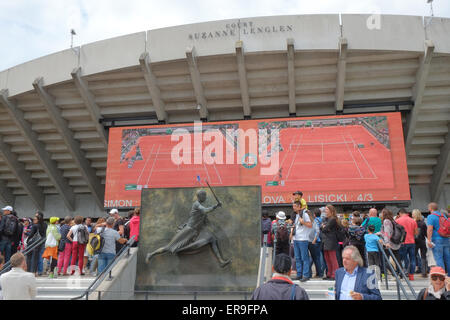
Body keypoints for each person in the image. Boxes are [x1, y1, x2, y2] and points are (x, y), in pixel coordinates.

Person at [145, 189, 231, 267]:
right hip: (188, 231)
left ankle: (221, 262)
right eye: (203, 195)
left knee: (213, 239)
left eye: (205, 195)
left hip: (195, 232)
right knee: (169, 247)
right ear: (199, 196)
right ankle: (151, 254)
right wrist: (215, 206)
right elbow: (205, 210)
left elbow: (205, 221)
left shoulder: (201, 208)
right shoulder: (197, 205)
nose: (205, 196)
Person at [290, 201, 313, 282]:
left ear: (299, 206)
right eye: (293, 206)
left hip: (303, 239)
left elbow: (310, 225)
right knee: (297, 257)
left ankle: (306, 275)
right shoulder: (296, 215)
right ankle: (299, 274)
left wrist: (303, 222)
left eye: (295, 206)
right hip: (296, 239)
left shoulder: (304, 214)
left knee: (304, 257)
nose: (294, 208)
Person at [426, 202, 450, 276]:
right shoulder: (443, 216)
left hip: (436, 239)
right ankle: (449, 275)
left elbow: (430, 229)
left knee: (439, 258)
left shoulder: (431, 216)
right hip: (446, 238)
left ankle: (442, 276)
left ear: (430, 208)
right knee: (447, 258)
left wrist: (429, 240)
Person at [396, 208, 418, 280]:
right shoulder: (413, 221)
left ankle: (402, 273)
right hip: (411, 242)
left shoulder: (397, 221)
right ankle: (411, 275)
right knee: (412, 259)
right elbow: (416, 233)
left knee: (402, 258)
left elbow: (396, 233)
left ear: (400, 213)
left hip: (402, 242)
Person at [379, 208, 402, 276]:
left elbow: (387, 232)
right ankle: (400, 272)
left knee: (384, 260)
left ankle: (394, 272)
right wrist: (379, 233)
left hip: (389, 243)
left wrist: (386, 242)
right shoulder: (392, 220)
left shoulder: (386, 221)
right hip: (394, 243)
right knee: (397, 259)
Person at [321, 204, 340, 280]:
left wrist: (324, 227)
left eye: (326, 209)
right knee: (327, 258)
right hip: (325, 241)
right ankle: (329, 273)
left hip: (331, 241)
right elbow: (322, 228)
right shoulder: (326, 219)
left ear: (331, 210)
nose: (325, 211)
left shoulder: (333, 219)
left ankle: (334, 274)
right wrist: (324, 227)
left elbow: (325, 229)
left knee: (332, 258)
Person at [27, 212, 47, 276]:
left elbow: (31, 235)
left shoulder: (35, 226)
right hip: (41, 242)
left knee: (31, 257)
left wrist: (27, 239)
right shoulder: (45, 224)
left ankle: (31, 271)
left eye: (34, 219)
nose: (33, 220)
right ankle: (37, 271)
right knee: (39, 257)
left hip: (34, 243)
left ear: (38, 219)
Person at [412, 209, 428, 277]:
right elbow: (426, 234)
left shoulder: (412, 222)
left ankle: (411, 272)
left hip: (414, 241)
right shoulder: (423, 223)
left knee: (413, 256)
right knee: (423, 257)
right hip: (422, 241)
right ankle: (424, 272)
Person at [308, 208, 324, 278]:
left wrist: (314, 239)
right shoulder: (321, 220)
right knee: (318, 257)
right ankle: (319, 272)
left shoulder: (315, 221)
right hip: (320, 240)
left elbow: (316, 230)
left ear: (314, 215)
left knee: (314, 258)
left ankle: (318, 273)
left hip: (315, 240)